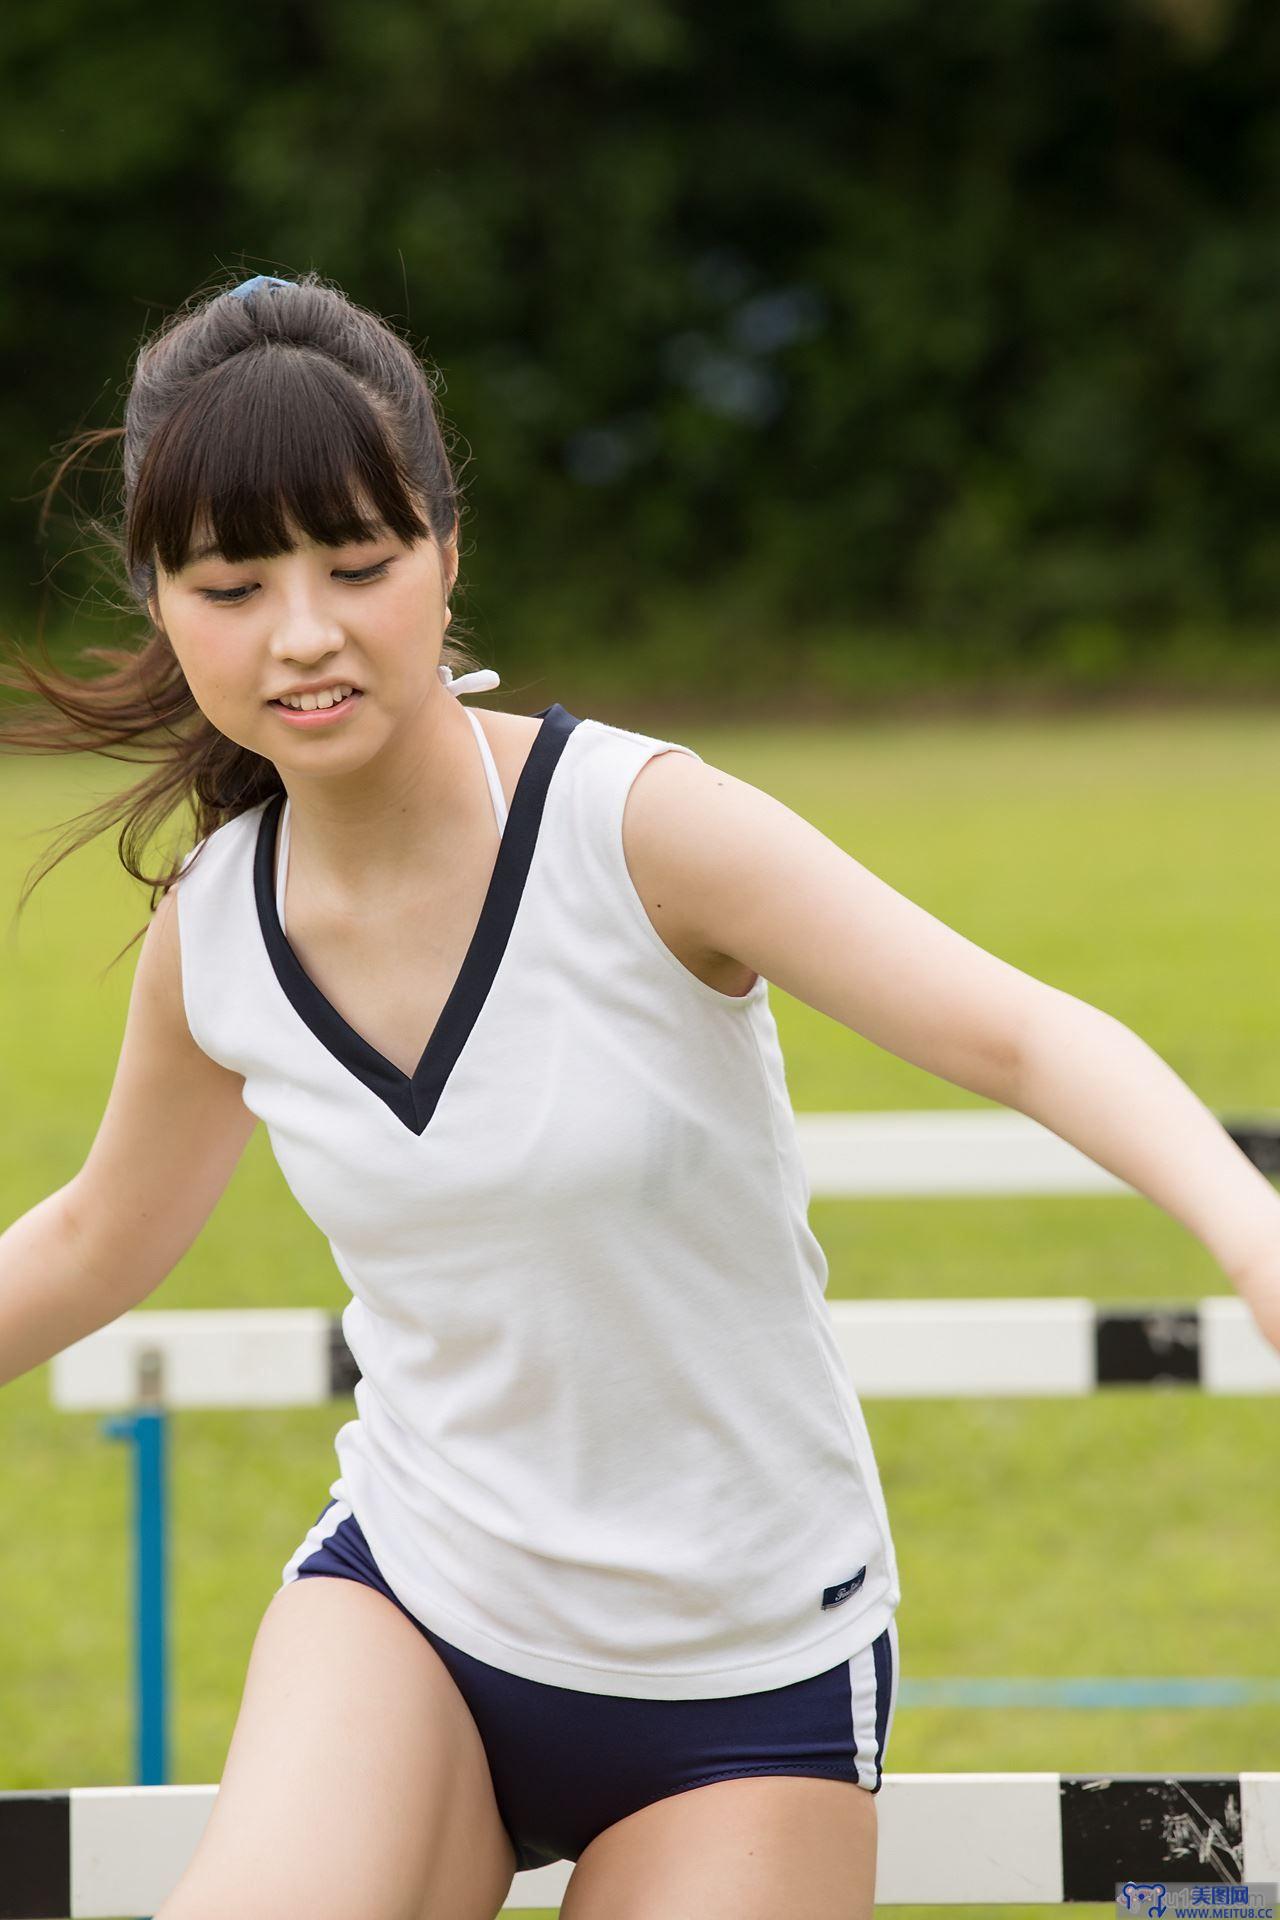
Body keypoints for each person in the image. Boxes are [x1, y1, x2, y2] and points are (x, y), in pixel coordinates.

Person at [2, 270, 1277, 1920]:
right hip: (417, 1610)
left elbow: (1018, 1036)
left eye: (359, 565)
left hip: (745, 1678)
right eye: (234, 584)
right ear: (161, 603)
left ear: (447, 555)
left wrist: (1251, 1230)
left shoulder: (638, 828)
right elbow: (102, 1235)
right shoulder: (215, 931)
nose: (303, 632)